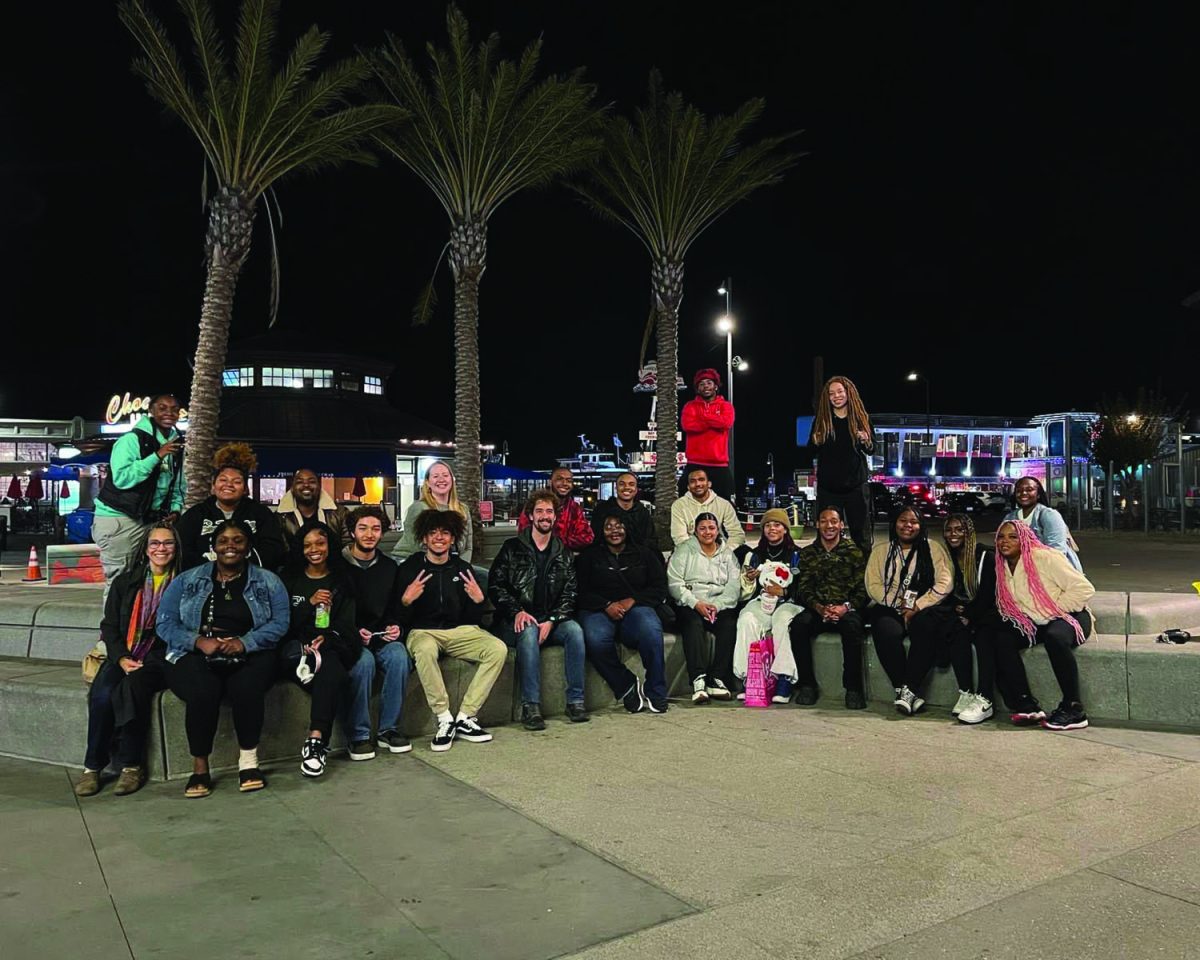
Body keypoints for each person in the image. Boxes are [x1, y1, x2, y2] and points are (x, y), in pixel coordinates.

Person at [158, 519, 289, 797]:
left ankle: (249, 762)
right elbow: (165, 623)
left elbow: (280, 623)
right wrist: (198, 642)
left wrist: (245, 643)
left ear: (248, 546)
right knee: (203, 690)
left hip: (251, 648)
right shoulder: (187, 580)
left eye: (238, 540)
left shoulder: (268, 581)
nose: (231, 546)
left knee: (247, 686)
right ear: (213, 546)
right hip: (196, 649)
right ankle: (200, 766)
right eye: (223, 541)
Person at [74, 525, 180, 797]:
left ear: (176, 547)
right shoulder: (126, 582)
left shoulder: (184, 583)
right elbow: (109, 626)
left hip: (159, 659)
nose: (161, 548)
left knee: (132, 691)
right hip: (124, 653)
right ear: (145, 549)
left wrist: (149, 661)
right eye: (154, 543)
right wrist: (121, 657)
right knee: (102, 694)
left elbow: (182, 630)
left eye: (167, 543)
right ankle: (92, 767)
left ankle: (131, 766)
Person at [398, 509, 506, 750]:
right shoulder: (410, 568)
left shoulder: (462, 569)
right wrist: (405, 600)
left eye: (445, 533)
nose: (439, 537)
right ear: (424, 538)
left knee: (497, 648)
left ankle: (466, 716)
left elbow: (471, 620)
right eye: (433, 533)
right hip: (422, 631)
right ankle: (444, 718)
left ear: (453, 538)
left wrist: (477, 601)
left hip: (459, 631)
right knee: (424, 649)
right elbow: (397, 617)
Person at [981, 520, 1096, 731]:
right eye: (1001, 537)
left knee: (1055, 637)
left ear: (1024, 538)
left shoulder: (1045, 557)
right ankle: (1026, 704)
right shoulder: (1002, 565)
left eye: (1012, 536)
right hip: (1035, 621)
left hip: (1070, 614)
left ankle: (1074, 708)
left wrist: (1051, 610)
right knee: (1001, 638)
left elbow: (1084, 589)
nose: (1005, 541)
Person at [491, 488, 589, 729]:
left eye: (549, 511)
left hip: (550, 620)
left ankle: (575, 701)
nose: (545, 516)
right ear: (531, 516)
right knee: (528, 631)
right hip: (516, 621)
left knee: (575, 631)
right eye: (539, 511)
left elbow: (570, 592)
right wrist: (517, 611)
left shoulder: (563, 552)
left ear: (554, 517)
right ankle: (530, 705)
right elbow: (496, 586)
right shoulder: (511, 547)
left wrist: (554, 619)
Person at [279, 522, 358, 778]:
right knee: (330, 676)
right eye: (308, 545)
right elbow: (280, 623)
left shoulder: (343, 579)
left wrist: (327, 637)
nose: (314, 549)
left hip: (328, 647)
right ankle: (317, 743)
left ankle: (315, 742)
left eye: (320, 543)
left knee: (332, 671)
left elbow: (348, 624)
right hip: (292, 646)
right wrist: (309, 605)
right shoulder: (288, 578)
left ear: (330, 546)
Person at [576, 513, 670, 714]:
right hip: (599, 610)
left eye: (619, 526)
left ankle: (656, 690)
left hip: (636, 608)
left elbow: (659, 587)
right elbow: (580, 591)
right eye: (608, 527)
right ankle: (625, 685)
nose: (614, 531)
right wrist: (606, 604)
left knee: (652, 631)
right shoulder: (589, 557)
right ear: (601, 531)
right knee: (595, 638)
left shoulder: (644, 554)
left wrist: (632, 600)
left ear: (627, 528)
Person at [92, 394, 184, 595]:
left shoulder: (175, 444)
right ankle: (114, 627)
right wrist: (157, 456)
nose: (169, 412)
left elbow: (177, 485)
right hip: (119, 518)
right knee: (119, 581)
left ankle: (137, 624)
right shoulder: (132, 440)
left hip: (147, 519)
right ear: (151, 411)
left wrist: (175, 510)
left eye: (174, 408)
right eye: (162, 408)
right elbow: (123, 478)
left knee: (143, 578)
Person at [865, 506, 953, 715]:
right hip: (891, 606)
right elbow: (873, 584)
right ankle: (904, 690)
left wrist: (917, 606)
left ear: (920, 525)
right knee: (885, 630)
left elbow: (945, 582)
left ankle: (909, 688)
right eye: (903, 521)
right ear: (894, 523)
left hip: (924, 605)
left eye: (913, 522)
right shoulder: (881, 551)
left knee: (925, 627)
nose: (908, 526)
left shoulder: (933, 548)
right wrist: (898, 605)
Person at [341, 505, 410, 760]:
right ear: (352, 532)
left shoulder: (390, 567)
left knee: (399, 656)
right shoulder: (338, 565)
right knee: (364, 662)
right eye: (363, 528)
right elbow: (334, 610)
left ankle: (388, 729)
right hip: (350, 638)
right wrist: (352, 631)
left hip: (381, 637)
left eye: (376, 529)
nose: (369, 534)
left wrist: (396, 627)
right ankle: (358, 735)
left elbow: (395, 609)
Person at [790, 506, 869, 708]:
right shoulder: (808, 553)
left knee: (853, 628)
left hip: (846, 610)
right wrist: (818, 608)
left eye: (834, 521)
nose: (829, 526)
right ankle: (807, 685)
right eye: (824, 521)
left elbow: (863, 589)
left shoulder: (854, 552)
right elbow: (803, 588)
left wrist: (845, 607)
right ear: (817, 524)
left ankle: (853, 689)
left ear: (841, 525)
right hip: (818, 610)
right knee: (798, 625)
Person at [176, 443, 287, 571]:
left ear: (245, 489)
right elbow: (182, 549)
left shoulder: (261, 514)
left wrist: (240, 568)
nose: (229, 485)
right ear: (213, 486)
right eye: (223, 480)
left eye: (237, 482)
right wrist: (215, 570)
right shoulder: (195, 514)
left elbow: (273, 550)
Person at [668, 512, 742, 703]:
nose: (707, 532)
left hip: (718, 605)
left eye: (711, 528)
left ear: (718, 530)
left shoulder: (727, 555)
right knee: (692, 624)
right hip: (691, 603)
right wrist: (696, 604)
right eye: (702, 528)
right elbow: (675, 584)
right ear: (695, 530)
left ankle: (716, 678)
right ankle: (698, 679)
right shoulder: (684, 550)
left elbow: (734, 586)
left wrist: (716, 605)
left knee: (730, 624)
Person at [733, 508, 802, 703]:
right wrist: (749, 579)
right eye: (768, 525)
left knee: (781, 621)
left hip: (790, 603)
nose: (772, 528)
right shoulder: (754, 555)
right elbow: (745, 592)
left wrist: (785, 592)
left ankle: (784, 678)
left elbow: (804, 587)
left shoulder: (797, 554)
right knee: (746, 619)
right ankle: (750, 676)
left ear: (785, 529)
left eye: (777, 525)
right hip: (762, 601)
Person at [939, 513, 999, 725]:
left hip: (986, 613)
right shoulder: (947, 557)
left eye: (959, 529)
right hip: (962, 613)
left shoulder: (985, 556)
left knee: (985, 636)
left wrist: (970, 616)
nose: (953, 534)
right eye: (949, 530)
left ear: (969, 532)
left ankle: (985, 698)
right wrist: (959, 613)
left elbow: (988, 594)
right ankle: (965, 691)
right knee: (955, 631)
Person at [810, 375, 874, 551]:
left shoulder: (861, 418)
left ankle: (864, 574)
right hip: (828, 488)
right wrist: (816, 440)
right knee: (827, 533)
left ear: (849, 393)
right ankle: (828, 571)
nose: (836, 396)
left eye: (840, 391)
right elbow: (811, 450)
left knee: (860, 534)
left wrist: (866, 440)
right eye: (831, 393)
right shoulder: (822, 420)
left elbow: (871, 449)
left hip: (856, 487)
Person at [392, 460, 474, 562]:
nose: (441, 479)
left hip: (450, 563)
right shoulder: (419, 508)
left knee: (484, 575)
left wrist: (462, 569)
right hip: (410, 560)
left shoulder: (463, 509)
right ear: (427, 482)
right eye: (435, 476)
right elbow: (417, 546)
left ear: (452, 480)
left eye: (445, 475)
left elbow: (468, 547)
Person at [1003, 476, 1082, 571]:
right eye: (1019, 490)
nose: (1023, 493)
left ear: (1038, 494)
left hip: (1052, 572)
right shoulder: (1010, 518)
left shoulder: (1049, 515)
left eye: (1029, 490)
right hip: (1021, 571)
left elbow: (1056, 551)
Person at [680, 368, 735, 500]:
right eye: (701, 384)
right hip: (694, 463)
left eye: (709, 383)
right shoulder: (690, 406)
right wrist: (714, 419)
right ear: (697, 388)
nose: (705, 386)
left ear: (716, 386)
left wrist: (703, 417)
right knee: (683, 499)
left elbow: (726, 423)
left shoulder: (726, 406)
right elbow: (688, 425)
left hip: (719, 464)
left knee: (725, 504)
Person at [670, 466, 746, 550]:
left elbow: (737, 534)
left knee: (745, 552)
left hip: (720, 552)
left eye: (701, 480)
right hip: (690, 552)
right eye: (693, 481)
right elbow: (679, 537)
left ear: (709, 484)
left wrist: (725, 552)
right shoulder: (679, 505)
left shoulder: (723, 504)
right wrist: (700, 555)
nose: (698, 484)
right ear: (688, 487)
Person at [518, 467, 594, 550]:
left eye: (569, 480)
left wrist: (554, 542)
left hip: (565, 560)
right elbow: (524, 536)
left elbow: (587, 537)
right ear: (550, 482)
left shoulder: (574, 508)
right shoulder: (535, 505)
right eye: (559, 479)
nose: (564, 483)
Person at [276, 468, 350, 549]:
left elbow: (348, 547)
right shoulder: (279, 518)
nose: (306, 485)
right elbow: (282, 551)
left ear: (319, 486)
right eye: (300, 482)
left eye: (312, 481)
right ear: (292, 488)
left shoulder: (340, 513)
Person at [590, 471, 654, 547]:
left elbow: (650, 540)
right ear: (616, 488)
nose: (626, 487)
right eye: (622, 484)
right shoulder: (602, 510)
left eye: (631, 484)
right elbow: (595, 540)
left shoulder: (642, 512)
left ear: (636, 490)